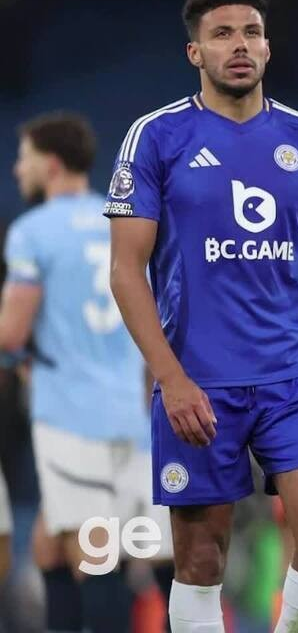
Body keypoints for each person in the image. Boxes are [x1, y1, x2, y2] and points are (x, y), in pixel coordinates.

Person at [105, 0, 298, 633]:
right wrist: (170, 378)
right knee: (200, 560)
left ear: (269, 46)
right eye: (223, 34)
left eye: (252, 32)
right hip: (198, 382)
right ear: (194, 52)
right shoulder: (156, 137)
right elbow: (126, 271)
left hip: (293, 377)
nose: (241, 45)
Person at [1, 112, 173, 632]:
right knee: (57, 547)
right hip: (131, 413)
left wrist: (19, 356)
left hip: (71, 421)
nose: (16, 170)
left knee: (96, 558)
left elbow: (10, 333)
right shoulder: (124, 220)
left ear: (50, 165)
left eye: (24, 158)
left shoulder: (32, 232)